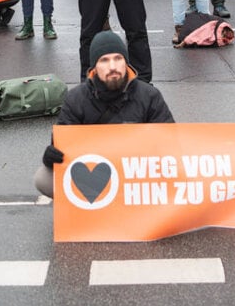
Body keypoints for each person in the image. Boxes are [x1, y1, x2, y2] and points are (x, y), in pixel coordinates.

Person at [34, 30, 174, 197]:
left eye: (118, 58)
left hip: (138, 175)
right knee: (44, 179)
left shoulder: (149, 95)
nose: (112, 67)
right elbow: (62, 146)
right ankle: (90, 203)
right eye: (104, 60)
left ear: (126, 63)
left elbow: (170, 143)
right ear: (94, 67)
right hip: (97, 174)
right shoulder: (76, 98)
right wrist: (52, 156)